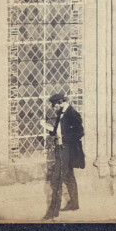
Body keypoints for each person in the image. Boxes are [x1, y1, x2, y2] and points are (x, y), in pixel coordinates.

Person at [41, 92, 85, 220]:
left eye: (55, 105)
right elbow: (58, 130)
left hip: (67, 150)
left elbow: (79, 133)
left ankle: (53, 212)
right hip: (61, 148)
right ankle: (74, 204)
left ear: (61, 102)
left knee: (57, 179)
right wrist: (46, 127)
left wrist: (64, 138)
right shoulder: (61, 112)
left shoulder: (73, 113)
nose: (54, 108)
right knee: (68, 176)